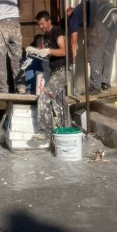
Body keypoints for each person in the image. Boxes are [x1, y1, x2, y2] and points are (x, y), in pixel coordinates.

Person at [27, 10, 68, 148]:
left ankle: (44, 131)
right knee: (60, 104)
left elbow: (64, 51)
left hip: (63, 70)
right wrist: (36, 51)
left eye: (43, 24)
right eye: (39, 25)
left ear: (49, 21)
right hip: (55, 71)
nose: (41, 27)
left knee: (44, 97)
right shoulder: (46, 36)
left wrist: (48, 51)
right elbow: (48, 54)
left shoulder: (57, 31)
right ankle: (64, 133)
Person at [67, 0, 117, 94]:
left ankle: (95, 87)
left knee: (94, 53)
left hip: (105, 17)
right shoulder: (83, 10)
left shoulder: (73, 16)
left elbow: (74, 41)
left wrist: (71, 58)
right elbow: (96, 34)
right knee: (108, 51)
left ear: (69, 12)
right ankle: (105, 83)